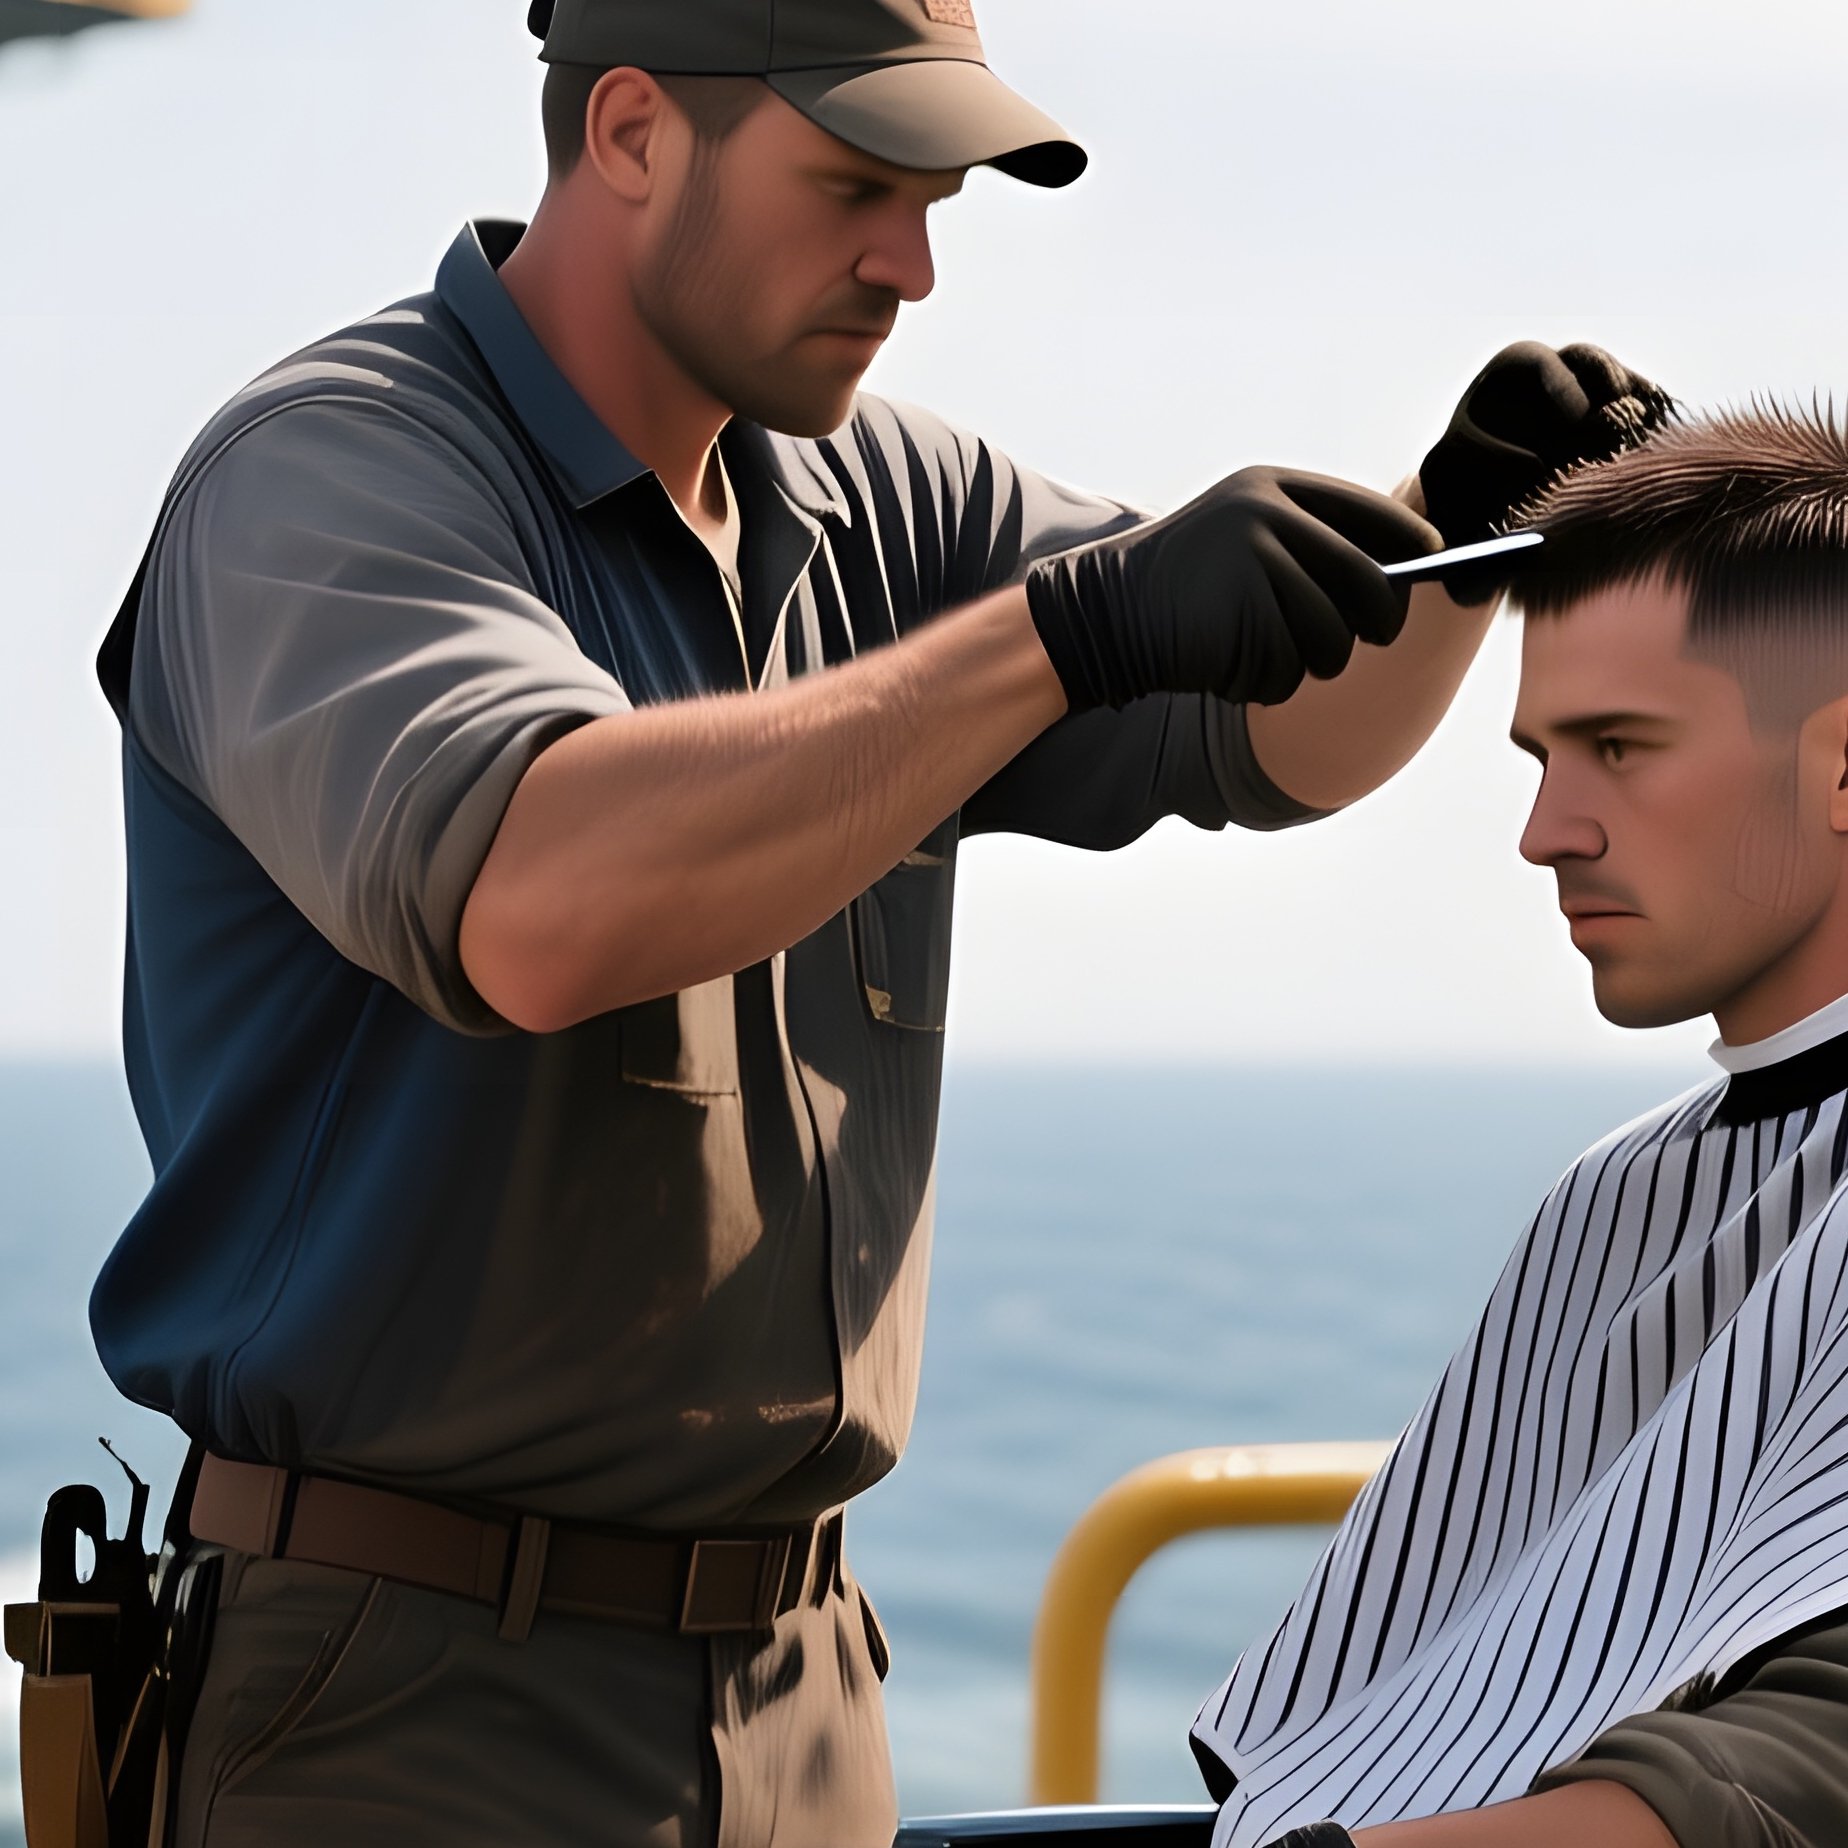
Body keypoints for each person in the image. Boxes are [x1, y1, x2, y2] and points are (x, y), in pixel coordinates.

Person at [86, 2, 1663, 1843]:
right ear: (628, 133)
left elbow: (1276, 735)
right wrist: (1053, 634)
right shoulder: (335, 471)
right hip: (414, 1696)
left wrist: (1450, 536)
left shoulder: (880, 502)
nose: (911, 265)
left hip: (805, 1679)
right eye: (852, 187)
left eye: (936, 201)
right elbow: (534, 892)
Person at [1194, 404, 1848, 1848]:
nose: (1547, 831)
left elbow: (1799, 1772)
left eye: (1619, 747)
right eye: (1543, 756)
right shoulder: (1612, 1194)